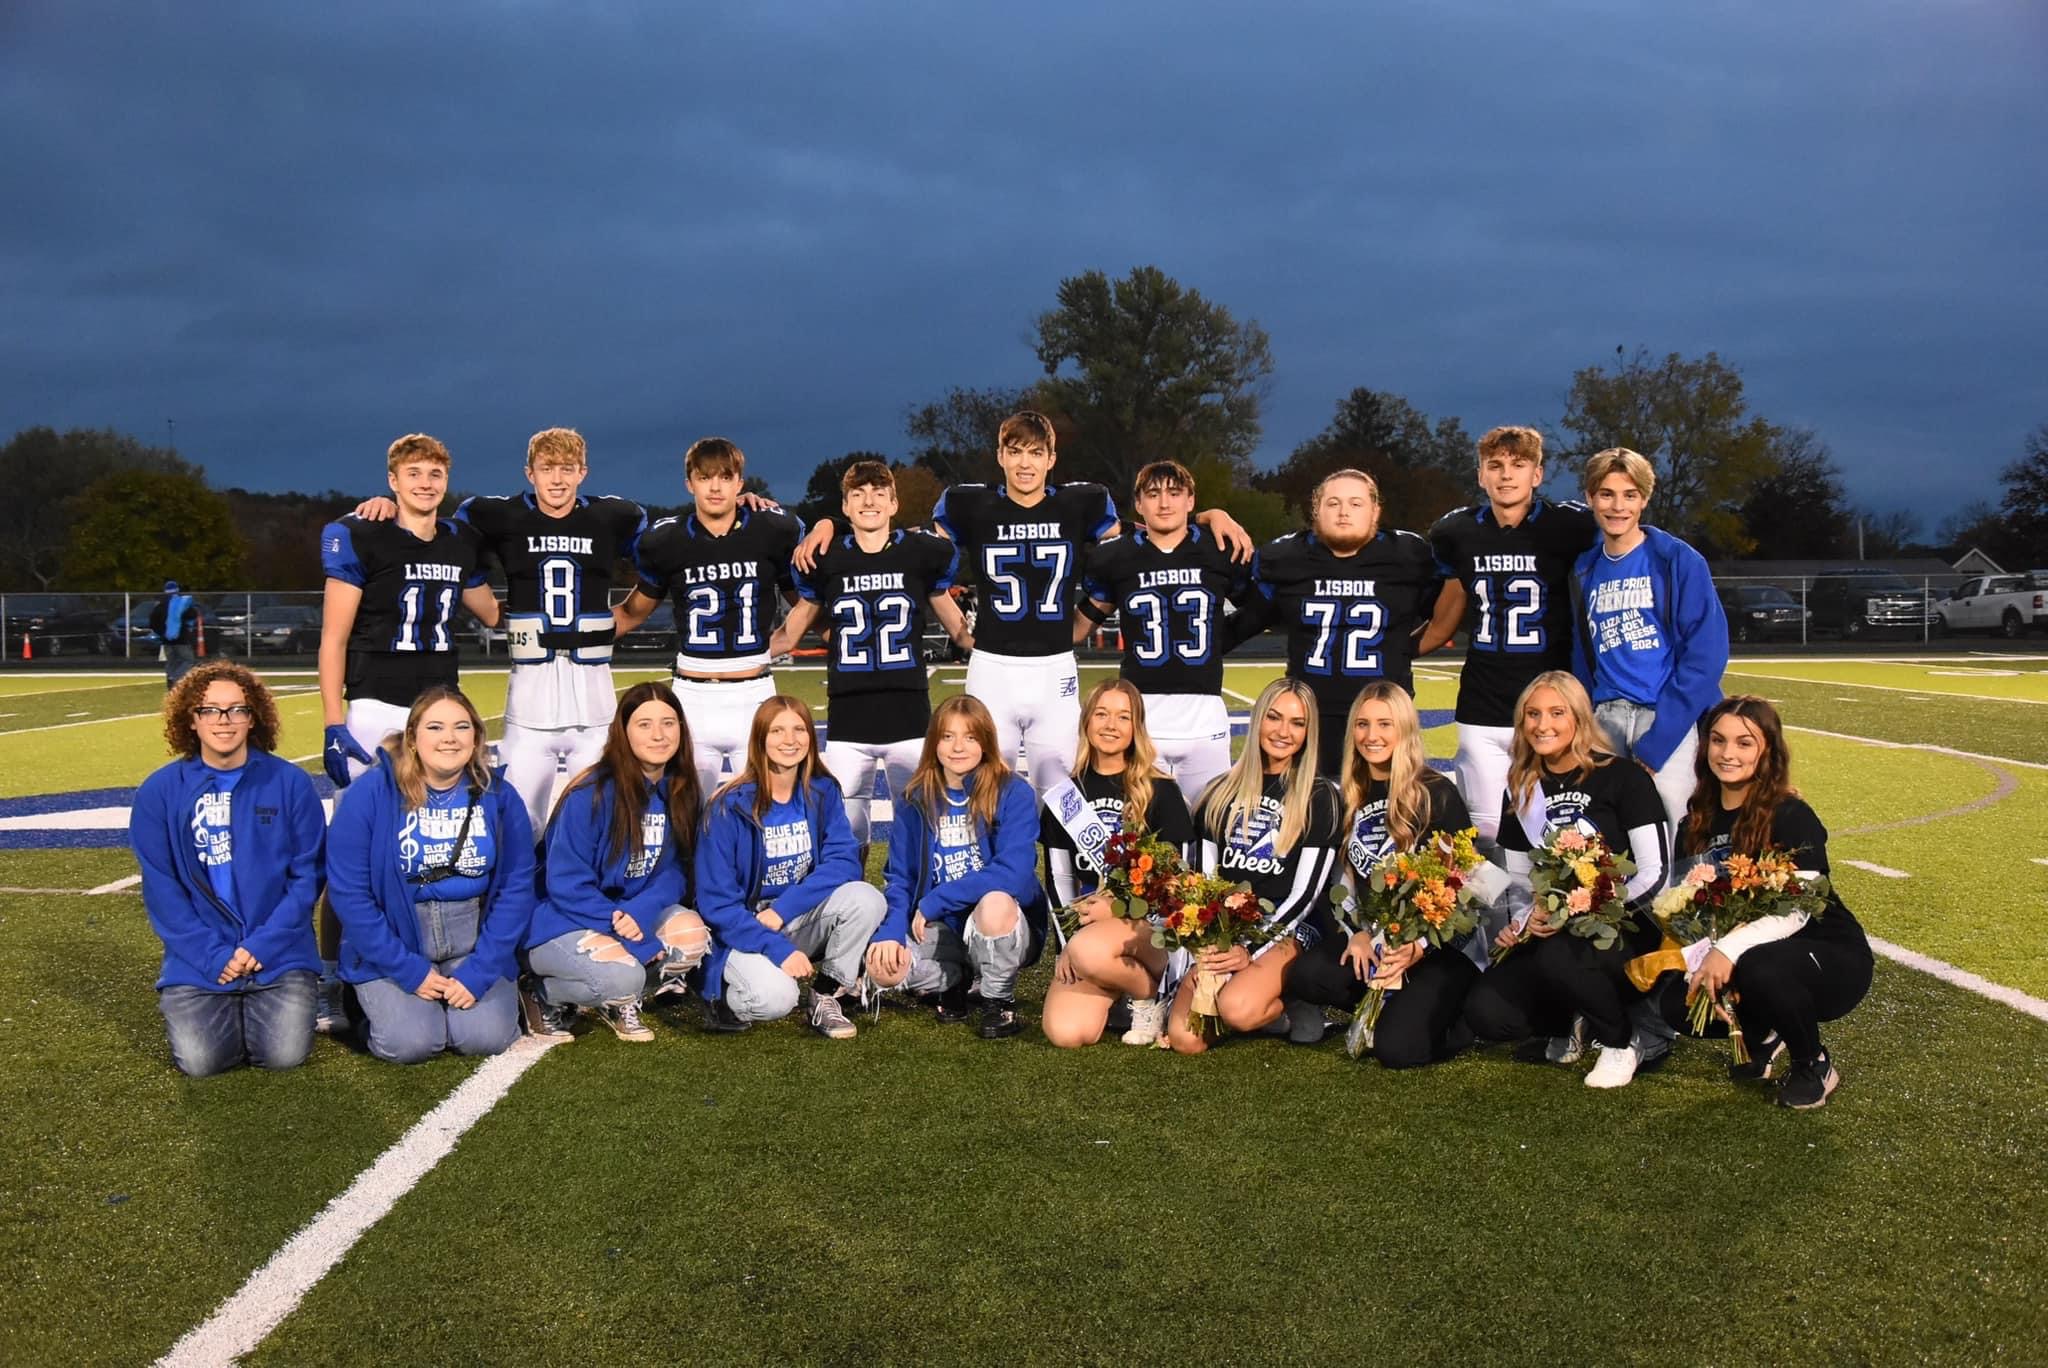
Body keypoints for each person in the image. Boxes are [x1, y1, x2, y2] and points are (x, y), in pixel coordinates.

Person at [796, 411, 1251, 799]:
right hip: (993, 667)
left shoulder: (1081, 503)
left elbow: (1149, 535)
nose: (1025, 463)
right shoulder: (969, 504)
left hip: (1055, 669)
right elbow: (899, 543)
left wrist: (1209, 516)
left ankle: (1058, 896)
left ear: (1052, 458)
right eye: (1015, 451)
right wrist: (833, 523)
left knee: (1063, 794)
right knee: (978, 791)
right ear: (1000, 456)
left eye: (1036, 453)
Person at [354, 427, 650, 834]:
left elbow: (667, 556)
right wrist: (388, 508)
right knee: (518, 824)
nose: (558, 479)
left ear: (584, 471)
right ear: (530, 473)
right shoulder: (497, 515)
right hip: (529, 697)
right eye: (547, 469)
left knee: (601, 822)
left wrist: (626, 616)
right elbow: (439, 536)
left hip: (594, 695)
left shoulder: (615, 516)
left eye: (567, 469)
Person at [1461, 672, 1669, 1088]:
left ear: (1580, 717)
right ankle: (1573, 1023)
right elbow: (1522, 885)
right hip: (1554, 933)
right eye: (1532, 715)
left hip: (1623, 926)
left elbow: (1656, 873)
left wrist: (1588, 909)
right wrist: (1524, 922)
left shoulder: (1624, 777)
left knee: (1559, 954)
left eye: (1557, 713)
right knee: (1488, 1011)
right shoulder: (1520, 787)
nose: (1543, 725)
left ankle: (1620, 1041)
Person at [1675, 696, 1873, 1109]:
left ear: (1768, 751)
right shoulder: (1694, 821)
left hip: (1829, 956)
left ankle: (1812, 1063)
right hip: (1748, 952)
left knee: (1760, 966)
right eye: (1717, 740)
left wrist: (1725, 951)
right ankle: (1761, 1035)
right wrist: (1699, 956)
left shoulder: (1791, 814)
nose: (1728, 753)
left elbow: (1800, 907)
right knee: (1673, 1000)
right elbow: (1690, 905)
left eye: (1744, 743)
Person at [768, 459, 970, 863]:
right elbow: (791, 633)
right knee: (846, 832)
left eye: (879, 493)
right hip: (849, 714)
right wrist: (740, 657)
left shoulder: (919, 553)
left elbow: (959, 629)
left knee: (920, 823)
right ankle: (851, 915)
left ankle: (919, 912)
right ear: (845, 507)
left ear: (895, 503)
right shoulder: (829, 559)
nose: (869, 501)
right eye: (858, 494)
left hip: (908, 711)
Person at [130, 662, 325, 1076]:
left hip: (280, 955)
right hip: (200, 959)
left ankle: (263, 1001)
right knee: (202, 1063)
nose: (224, 721)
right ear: (192, 720)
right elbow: (162, 889)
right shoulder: (160, 791)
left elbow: (307, 876)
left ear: (253, 719)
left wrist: (262, 946)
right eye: (211, 710)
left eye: (237, 710)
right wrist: (213, 955)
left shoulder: (290, 783)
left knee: (283, 1056)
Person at [326, 687, 535, 1063]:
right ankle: (363, 1002)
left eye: (461, 727)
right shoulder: (371, 793)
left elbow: (517, 888)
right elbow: (350, 894)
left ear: (476, 737)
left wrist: (481, 971)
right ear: (412, 737)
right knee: (411, 1045)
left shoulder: (499, 795)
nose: (449, 738)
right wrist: (408, 970)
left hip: (472, 936)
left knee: (483, 1039)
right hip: (396, 937)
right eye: (435, 727)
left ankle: (485, 993)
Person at [1282, 681, 1481, 1068]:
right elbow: (1336, 884)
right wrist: (1353, 933)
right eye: (1362, 724)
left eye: (1385, 724)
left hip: (1435, 951)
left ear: (1405, 728)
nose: (1371, 736)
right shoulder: (1346, 796)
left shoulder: (1437, 793)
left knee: (1397, 1051)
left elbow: (1473, 888)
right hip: (1374, 943)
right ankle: (1387, 1003)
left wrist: (1418, 946)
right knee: (1307, 975)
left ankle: (1456, 1020)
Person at [1421, 427, 1598, 850]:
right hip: (1482, 703)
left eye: (1518, 466)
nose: (1506, 476)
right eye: (1495, 466)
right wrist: (1393, 654)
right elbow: (1445, 618)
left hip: (1550, 707)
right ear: (1481, 475)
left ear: (1537, 475)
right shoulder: (1457, 531)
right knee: (1485, 835)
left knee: (1560, 836)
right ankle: (1498, 918)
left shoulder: (1570, 524)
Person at [521, 682, 710, 1043]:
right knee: (625, 977)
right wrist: (622, 928)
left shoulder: (680, 788)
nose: (658, 735)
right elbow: (565, 885)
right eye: (644, 724)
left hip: (626, 914)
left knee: (691, 938)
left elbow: (676, 868)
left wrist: (639, 910)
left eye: (668, 723)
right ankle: (540, 992)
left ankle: (615, 999)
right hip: (563, 918)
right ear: (622, 732)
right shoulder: (589, 793)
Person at [616, 437, 805, 795]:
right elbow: (630, 612)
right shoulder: (667, 539)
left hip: (755, 692)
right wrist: (573, 633)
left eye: (725, 477)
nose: (715, 487)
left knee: (765, 808)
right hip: (692, 697)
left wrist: (788, 638)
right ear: (689, 483)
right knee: (684, 813)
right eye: (705, 477)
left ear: (740, 482)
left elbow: (806, 600)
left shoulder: (771, 529)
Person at [1169, 678, 1345, 1055]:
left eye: (1297, 723)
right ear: (1257, 721)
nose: (1283, 732)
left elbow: (1306, 896)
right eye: (1274, 717)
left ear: (1309, 732)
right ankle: (1270, 1007)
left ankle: (1294, 996)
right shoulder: (1219, 792)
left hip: (1291, 928)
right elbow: (1207, 884)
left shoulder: (1320, 796)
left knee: (1238, 1009)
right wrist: (1213, 945)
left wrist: (1249, 947)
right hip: (1230, 929)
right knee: (1186, 1040)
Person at [694, 696, 887, 1039]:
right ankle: (718, 988)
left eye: (799, 729)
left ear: (811, 738)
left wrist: (783, 910)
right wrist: (775, 945)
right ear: (759, 740)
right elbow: (717, 905)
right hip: (744, 925)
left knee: (866, 898)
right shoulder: (728, 807)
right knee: (775, 1000)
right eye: (778, 730)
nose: (790, 739)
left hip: (792, 916)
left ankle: (827, 993)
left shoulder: (822, 791)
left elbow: (844, 861)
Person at [319, 434, 500, 787]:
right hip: (375, 698)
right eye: (413, 473)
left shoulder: (461, 541)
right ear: (393, 481)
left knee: (441, 811)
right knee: (360, 813)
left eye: (435, 474)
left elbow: (492, 614)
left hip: (441, 700)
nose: (426, 483)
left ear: (446, 481)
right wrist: (332, 721)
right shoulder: (363, 534)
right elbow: (333, 638)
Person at [1236, 469, 1443, 776]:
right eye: (1333, 503)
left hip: (1383, 718)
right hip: (1310, 716)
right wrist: (1210, 517)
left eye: (1355, 503)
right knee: (1310, 811)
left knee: (1386, 811)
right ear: (1316, 510)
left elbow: (1447, 609)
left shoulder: (1408, 556)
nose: (1344, 511)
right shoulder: (1287, 556)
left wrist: (1407, 648)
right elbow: (1247, 613)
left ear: (1376, 510)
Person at [868, 695, 1049, 1039]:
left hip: (1000, 922)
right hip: (940, 928)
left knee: (994, 901)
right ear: (934, 741)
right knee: (883, 968)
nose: (958, 747)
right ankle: (954, 979)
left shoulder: (1013, 791)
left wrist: (937, 900)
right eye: (948, 736)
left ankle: (998, 1000)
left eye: (970, 737)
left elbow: (1014, 872)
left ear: (986, 742)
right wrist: (892, 932)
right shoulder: (915, 798)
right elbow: (900, 877)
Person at [1570, 446, 1727, 837]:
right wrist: (1585, 720)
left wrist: (1660, 738)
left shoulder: (1677, 560)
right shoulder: (1584, 569)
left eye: (1629, 495)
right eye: (1606, 494)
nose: (1617, 506)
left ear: (1644, 498)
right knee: (1604, 837)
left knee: (1672, 830)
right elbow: (1581, 654)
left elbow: (1705, 656)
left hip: (1663, 716)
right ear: (1590, 497)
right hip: (1605, 720)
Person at [1076, 460, 1254, 803]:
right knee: (1141, 828)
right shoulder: (1116, 557)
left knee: (1208, 826)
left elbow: (1259, 608)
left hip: (1204, 714)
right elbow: (1082, 623)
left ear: (1191, 501)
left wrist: (1219, 641)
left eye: (1175, 493)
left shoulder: (1218, 548)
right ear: (1139, 504)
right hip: (1142, 713)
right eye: (1153, 494)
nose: (1164, 503)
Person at [1040, 680, 1196, 1049]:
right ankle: (1129, 989)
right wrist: (1067, 946)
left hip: (1151, 933)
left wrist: (1115, 908)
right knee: (1066, 1033)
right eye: (1102, 714)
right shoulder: (1065, 796)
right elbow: (1059, 880)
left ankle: (1149, 993)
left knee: (1090, 950)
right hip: (1090, 934)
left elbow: (1177, 885)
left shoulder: (1161, 791)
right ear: (1086, 722)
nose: (1111, 725)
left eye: (1123, 717)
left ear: (1136, 728)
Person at [148, 581, 203, 688]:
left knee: (171, 662)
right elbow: (192, 615)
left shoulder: (159, 606)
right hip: (182, 639)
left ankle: (170, 681)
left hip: (166, 640)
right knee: (188, 660)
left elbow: (153, 623)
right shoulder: (182, 604)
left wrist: (162, 633)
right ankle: (176, 678)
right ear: (177, 590)